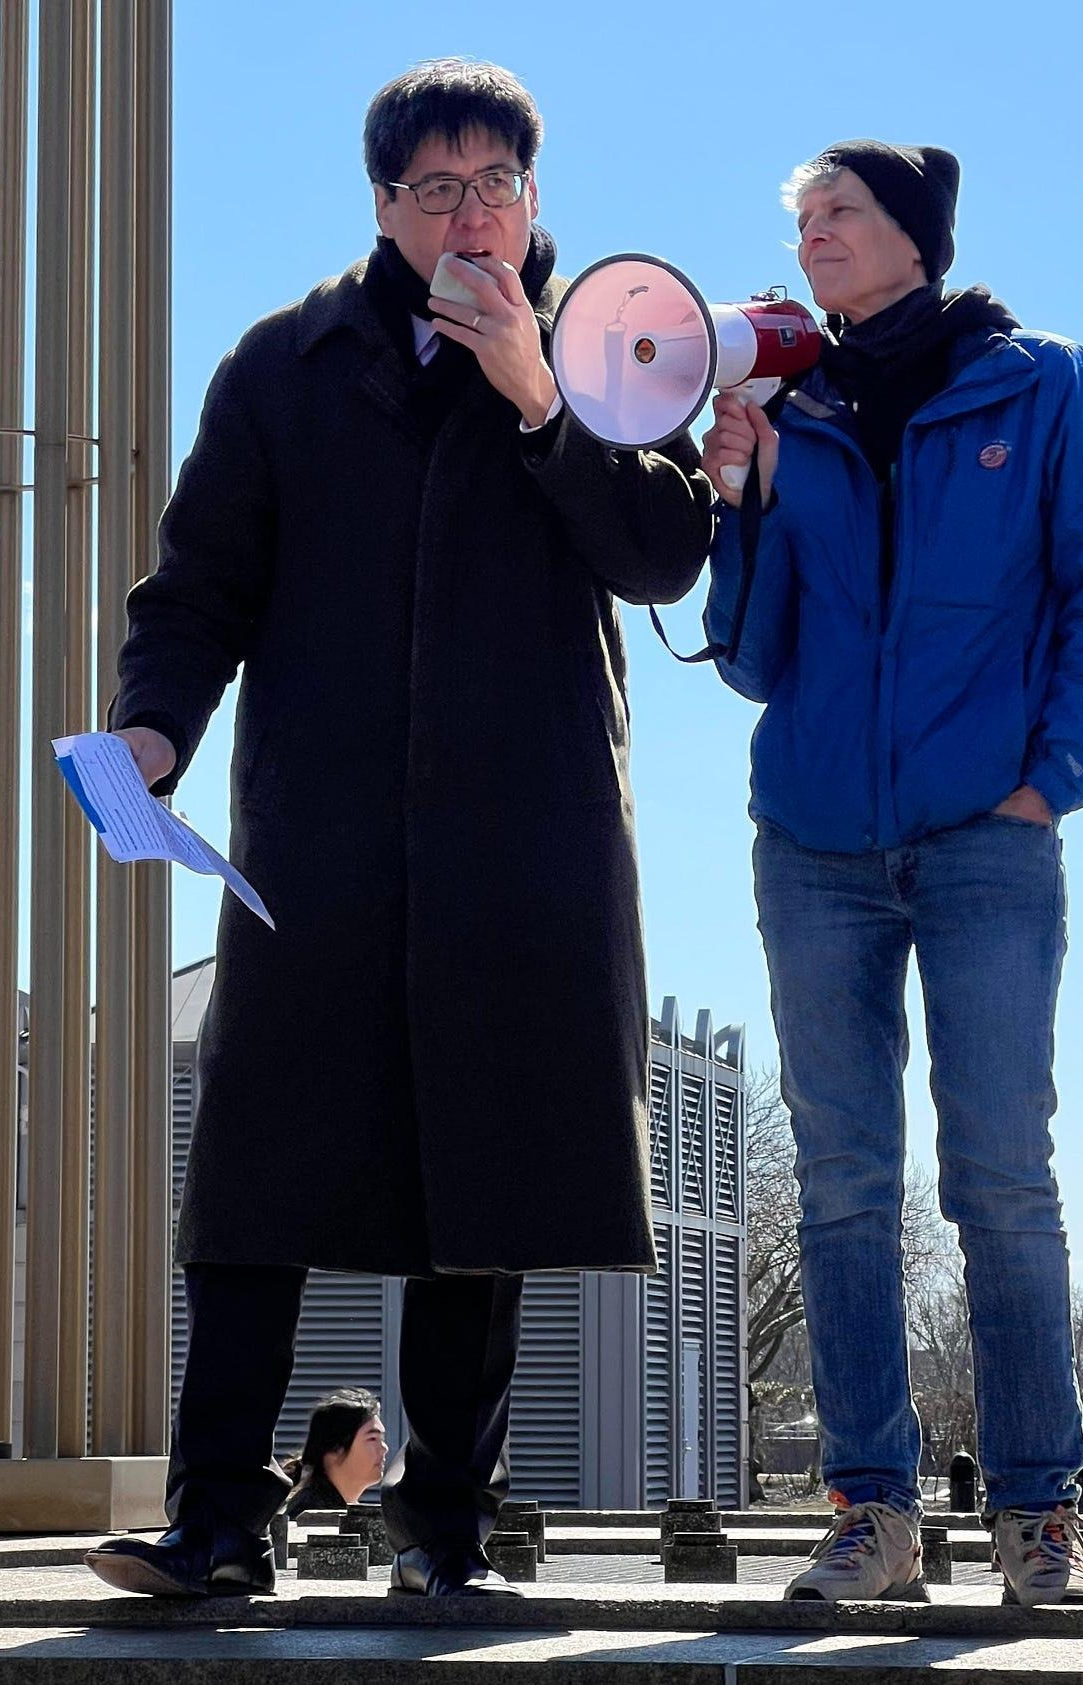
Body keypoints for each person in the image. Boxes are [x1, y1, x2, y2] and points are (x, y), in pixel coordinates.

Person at [84, 58, 711, 1601]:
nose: (471, 214)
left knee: (483, 1187)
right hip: (321, 832)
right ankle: (216, 1521)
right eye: (437, 189)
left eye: (497, 183)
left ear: (536, 194)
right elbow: (197, 585)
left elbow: (659, 552)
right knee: (256, 1178)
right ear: (382, 205)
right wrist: (156, 726)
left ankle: (445, 1534)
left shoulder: (616, 345)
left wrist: (540, 402)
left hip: (526, 835)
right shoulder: (284, 363)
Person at [701, 140, 1083, 1608]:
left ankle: (1038, 1517)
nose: (813, 235)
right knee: (840, 1184)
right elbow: (756, 658)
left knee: (1001, 1178)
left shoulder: (1044, 383)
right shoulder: (796, 401)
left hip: (987, 841)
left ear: (915, 234)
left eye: (837, 212)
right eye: (803, 217)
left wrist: (1050, 783)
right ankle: (872, 1518)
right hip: (813, 847)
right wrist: (741, 497)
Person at [282, 1390, 389, 1518]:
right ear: (335, 1448)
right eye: (372, 1439)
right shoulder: (309, 1516)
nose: (384, 1448)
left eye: (381, 1439)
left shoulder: (345, 1510)